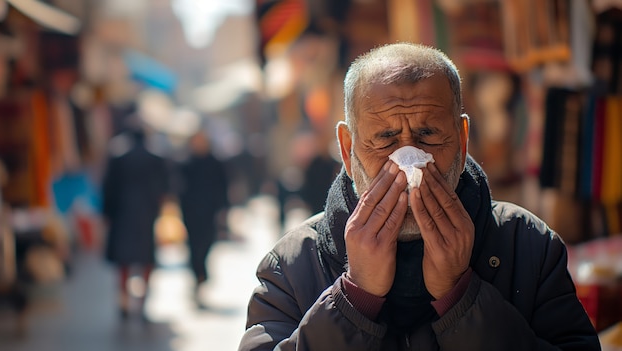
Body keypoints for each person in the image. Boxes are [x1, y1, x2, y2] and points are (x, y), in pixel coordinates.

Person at [238, 43, 600, 350]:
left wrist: (462, 298)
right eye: (385, 139)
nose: (409, 161)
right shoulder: (292, 265)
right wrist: (354, 297)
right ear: (348, 151)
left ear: (461, 138)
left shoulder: (528, 245)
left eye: (428, 135)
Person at [101, 118, 171, 322]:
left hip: (122, 215)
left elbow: (108, 189)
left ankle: (124, 300)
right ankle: (142, 301)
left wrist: (107, 214)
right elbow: (164, 188)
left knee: (124, 262)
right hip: (147, 215)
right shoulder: (155, 157)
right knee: (146, 260)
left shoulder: (117, 157)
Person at [176, 129, 229, 306]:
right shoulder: (185, 162)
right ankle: (198, 276)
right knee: (193, 246)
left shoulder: (214, 162)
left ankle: (201, 274)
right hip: (191, 211)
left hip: (209, 211)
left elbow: (223, 185)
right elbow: (178, 186)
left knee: (207, 243)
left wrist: (224, 208)